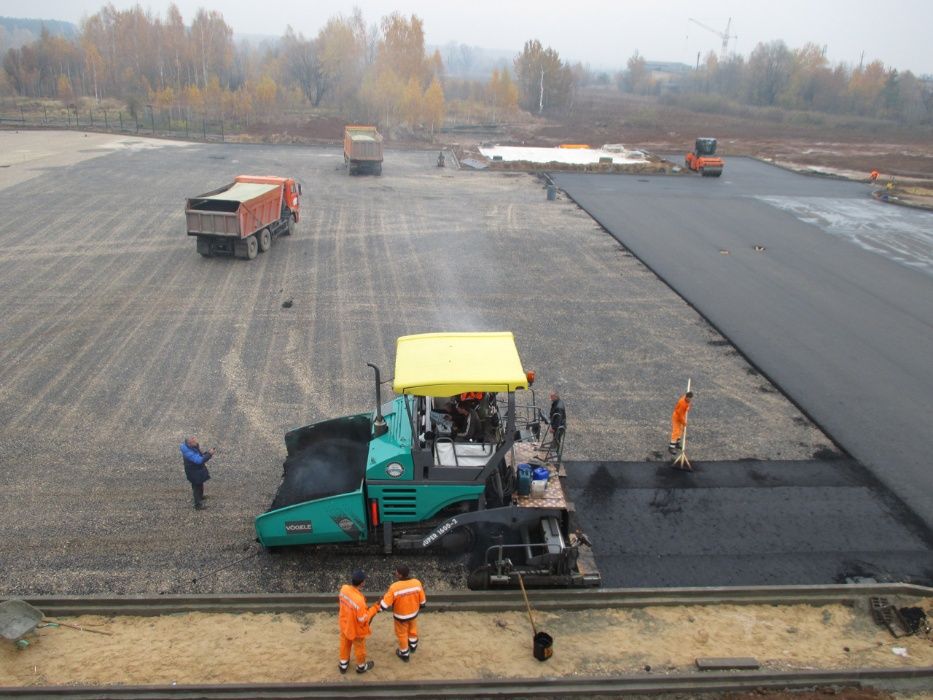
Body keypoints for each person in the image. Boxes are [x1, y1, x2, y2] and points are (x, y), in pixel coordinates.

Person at [379, 564, 426, 662]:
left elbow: (385, 604)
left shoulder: (394, 587)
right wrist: (419, 606)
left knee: (402, 634)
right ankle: (413, 645)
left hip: (400, 616)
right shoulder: (417, 583)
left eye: (396, 572)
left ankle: (404, 653)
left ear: (400, 575)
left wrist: (378, 608)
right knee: (412, 629)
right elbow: (422, 600)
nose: (395, 573)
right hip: (413, 613)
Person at [338, 569, 380, 674]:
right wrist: (375, 608)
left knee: (345, 643)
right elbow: (363, 619)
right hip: (355, 629)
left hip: (344, 623)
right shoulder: (359, 601)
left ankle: (343, 664)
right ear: (362, 583)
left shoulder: (343, 589)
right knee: (359, 648)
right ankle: (361, 666)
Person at [180, 436, 214, 510]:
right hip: (193, 472)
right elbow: (199, 460)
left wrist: (206, 453)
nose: (196, 443)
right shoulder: (188, 453)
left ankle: (201, 497)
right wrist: (209, 454)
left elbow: (199, 455)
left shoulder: (191, 447)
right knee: (196, 488)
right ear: (189, 444)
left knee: (200, 484)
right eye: (194, 442)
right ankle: (197, 505)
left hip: (196, 471)